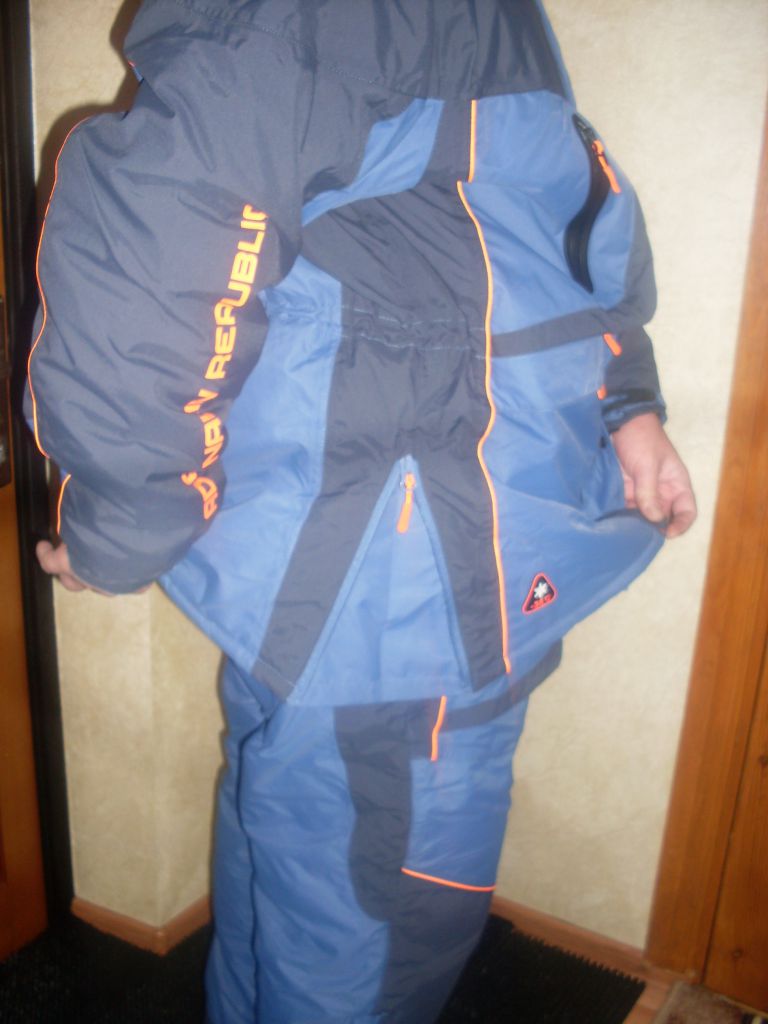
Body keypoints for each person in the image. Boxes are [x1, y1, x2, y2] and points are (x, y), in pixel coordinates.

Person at [29, 0, 696, 1020]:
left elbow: (553, 232)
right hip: (398, 589)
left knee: (293, 866)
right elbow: (157, 243)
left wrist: (627, 402)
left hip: (418, 565)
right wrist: (121, 522)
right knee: (370, 934)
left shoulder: (479, 24)